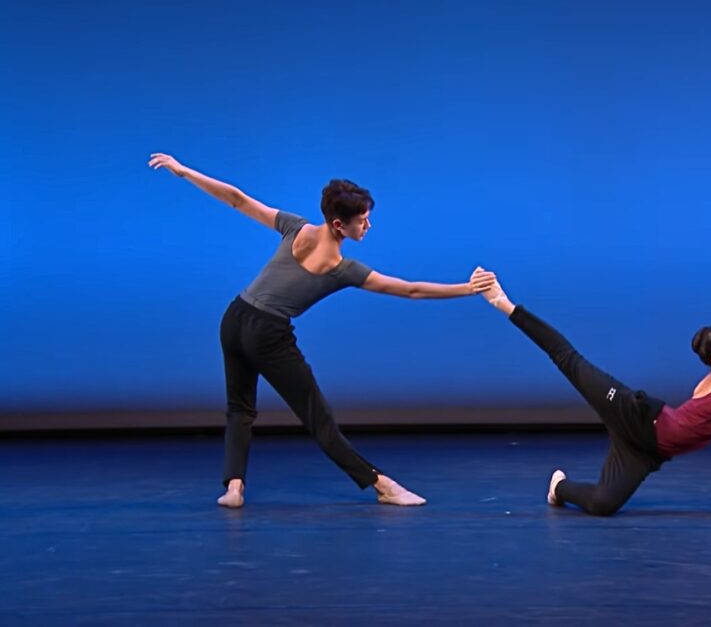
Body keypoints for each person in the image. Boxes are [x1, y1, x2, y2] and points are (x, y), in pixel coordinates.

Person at [148, 153, 496, 508]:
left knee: (240, 408)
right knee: (318, 417)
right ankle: (382, 485)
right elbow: (410, 290)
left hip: (234, 317)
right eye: (363, 221)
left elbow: (237, 199)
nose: (368, 227)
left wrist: (184, 171)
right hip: (267, 333)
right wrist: (468, 289)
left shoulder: (294, 226)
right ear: (339, 225)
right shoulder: (342, 269)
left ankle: (234, 488)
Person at [476, 273, 711, 516]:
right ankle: (505, 304)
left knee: (603, 505)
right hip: (635, 414)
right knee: (569, 360)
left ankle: (558, 488)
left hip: (646, 450)